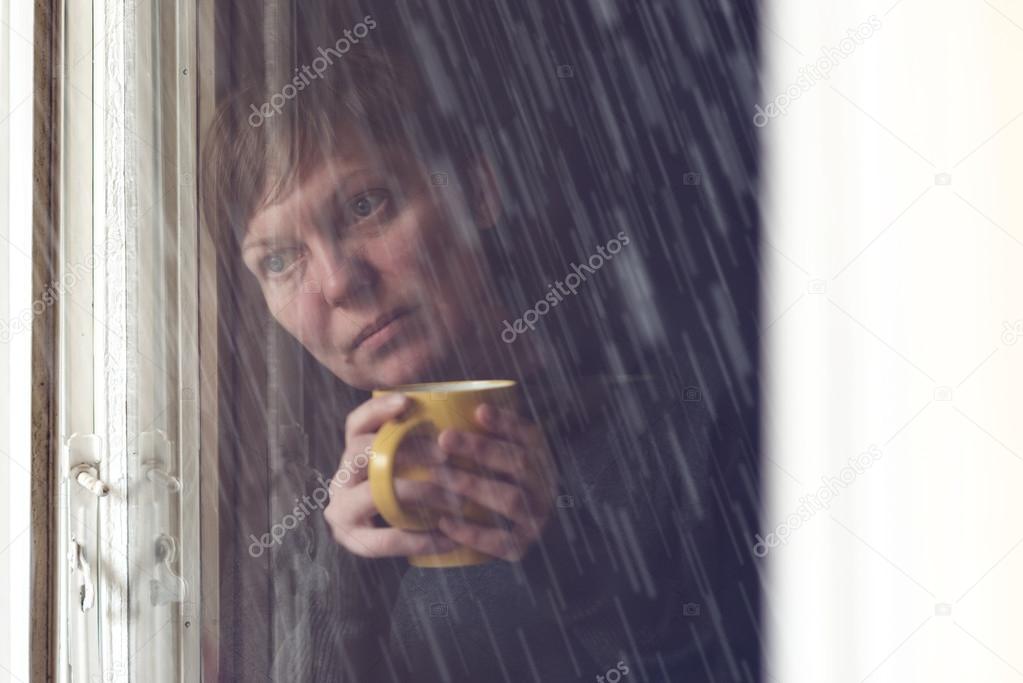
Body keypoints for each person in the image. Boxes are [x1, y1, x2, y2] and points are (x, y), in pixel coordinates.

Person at [202, 6, 757, 681]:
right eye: (281, 260)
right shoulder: (290, 512)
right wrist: (353, 573)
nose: (341, 281)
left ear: (476, 188)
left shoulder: (688, 423)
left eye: (363, 205)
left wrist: (570, 558)